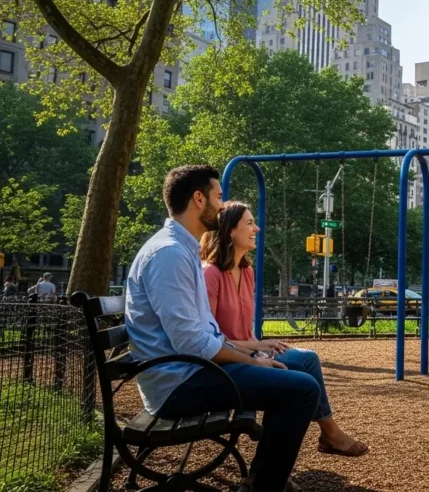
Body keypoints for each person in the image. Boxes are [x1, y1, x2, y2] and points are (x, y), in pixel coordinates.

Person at [124, 165, 320, 492]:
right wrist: (253, 360)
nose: (222, 203)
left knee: (299, 370)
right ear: (198, 199)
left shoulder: (182, 249)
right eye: (218, 196)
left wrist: (249, 351)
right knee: (301, 390)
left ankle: (262, 479)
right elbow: (191, 342)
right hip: (179, 383)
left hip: (188, 371)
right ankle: (262, 486)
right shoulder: (169, 254)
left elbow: (201, 334)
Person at [199, 201, 368, 457]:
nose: (256, 228)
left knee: (308, 358)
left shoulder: (246, 271)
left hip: (249, 352)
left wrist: (259, 348)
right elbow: (212, 339)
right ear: (230, 231)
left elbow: (245, 328)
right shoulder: (211, 274)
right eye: (249, 223)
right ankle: (326, 436)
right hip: (227, 360)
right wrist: (257, 348)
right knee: (297, 377)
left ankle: (325, 435)